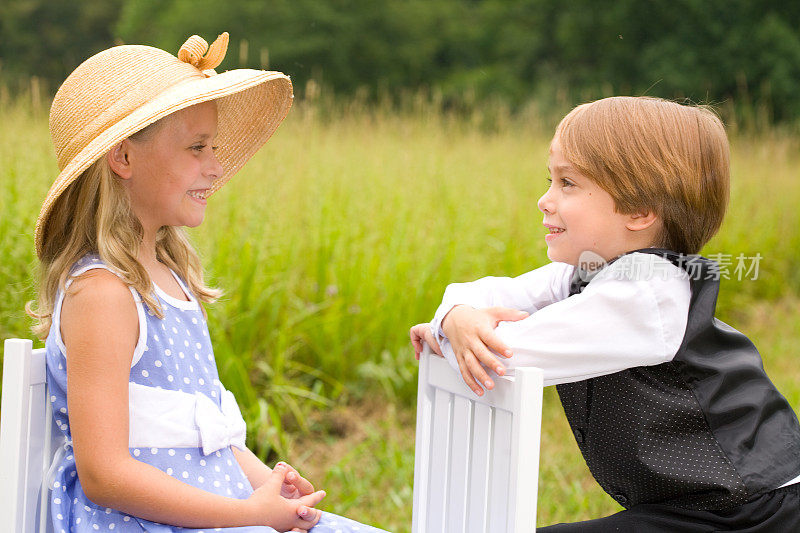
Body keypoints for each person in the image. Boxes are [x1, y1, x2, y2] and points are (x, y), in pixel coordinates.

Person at [27, 32, 387, 533]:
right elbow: (105, 475)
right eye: (198, 148)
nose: (216, 168)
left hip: (216, 510)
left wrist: (268, 488)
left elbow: (201, 436)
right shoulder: (103, 295)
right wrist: (246, 513)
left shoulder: (170, 280)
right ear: (124, 159)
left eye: (214, 148)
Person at [410, 96, 800, 531]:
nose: (544, 200)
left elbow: (504, 352)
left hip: (751, 510)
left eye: (568, 184)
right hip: (692, 505)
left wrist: (449, 329)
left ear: (640, 211)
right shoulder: (587, 271)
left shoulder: (646, 295)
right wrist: (457, 315)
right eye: (550, 180)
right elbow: (487, 293)